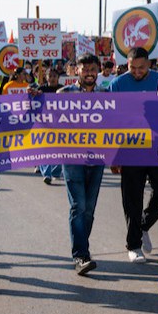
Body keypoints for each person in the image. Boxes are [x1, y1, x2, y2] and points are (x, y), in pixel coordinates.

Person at [109, 47, 158, 263]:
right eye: (132, 67)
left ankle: (143, 225)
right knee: (132, 199)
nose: (136, 72)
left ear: (150, 64)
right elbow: (112, 122)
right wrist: (113, 155)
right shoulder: (117, 84)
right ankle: (133, 245)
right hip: (130, 149)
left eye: (141, 68)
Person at [58, 55, 108, 275]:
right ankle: (80, 255)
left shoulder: (107, 96)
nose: (89, 72)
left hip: (97, 159)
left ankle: (82, 247)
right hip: (72, 158)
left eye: (92, 68)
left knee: (89, 209)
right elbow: (47, 118)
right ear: (75, 70)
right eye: (84, 68)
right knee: (78, 205)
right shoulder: (63, 95)